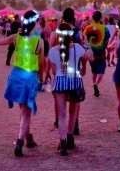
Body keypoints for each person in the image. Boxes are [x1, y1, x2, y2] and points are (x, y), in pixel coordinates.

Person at [0, 10, 45, 157]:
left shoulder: (16, 37)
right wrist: (41, 80)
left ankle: (28, 138)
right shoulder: (39, 41)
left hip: (16, 76)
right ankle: (19, 142)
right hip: (30, 77)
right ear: (35, 23)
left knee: (23, 110)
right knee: (26, 113)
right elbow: (41, 64)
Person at [48, 23, 92, 155]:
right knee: (73, 112)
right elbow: (90, 57)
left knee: (61, 115)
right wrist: (88, 47)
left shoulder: (52, 51)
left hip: (60, 82)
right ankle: (70, 137)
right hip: (75, 81)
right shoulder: (78, 48)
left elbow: (54, 70)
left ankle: (63, 143)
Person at [83, 10, 111, 97]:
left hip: (91, 53)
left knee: (94, 71)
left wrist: (88, 48)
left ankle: (94, 86)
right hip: (101, 53)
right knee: (101, 71)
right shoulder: (104, 28)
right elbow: (107, 40)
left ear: (92, 18)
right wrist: (106, 49)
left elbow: (85, 40)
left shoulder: (87, 28)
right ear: (100, 18)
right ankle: (96, 84)